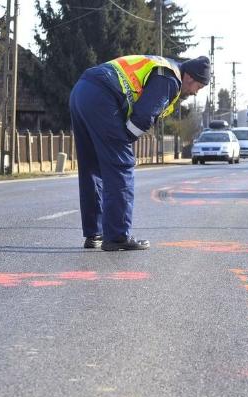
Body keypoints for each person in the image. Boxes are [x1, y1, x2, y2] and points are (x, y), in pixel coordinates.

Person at [70, 55, 209, 251]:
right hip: (102, 97)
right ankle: (117, 236)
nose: (195, 93)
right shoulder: (170, 78)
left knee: (92, 168)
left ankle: (95, 233)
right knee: (121, 166)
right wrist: (123, 141)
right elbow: (144, 115)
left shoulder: (162, 66)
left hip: (81, 91)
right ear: (190, 78)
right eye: (199, 87)